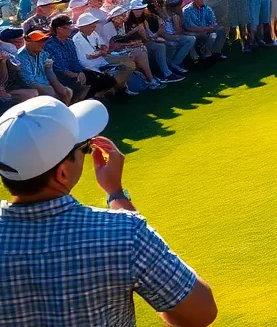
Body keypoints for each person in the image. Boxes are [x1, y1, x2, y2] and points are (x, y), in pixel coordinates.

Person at [0, 96, 217, 325]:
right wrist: (116, 194)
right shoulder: (124, 233)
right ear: (62, 173)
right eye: (84, 148)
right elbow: (201, 313)